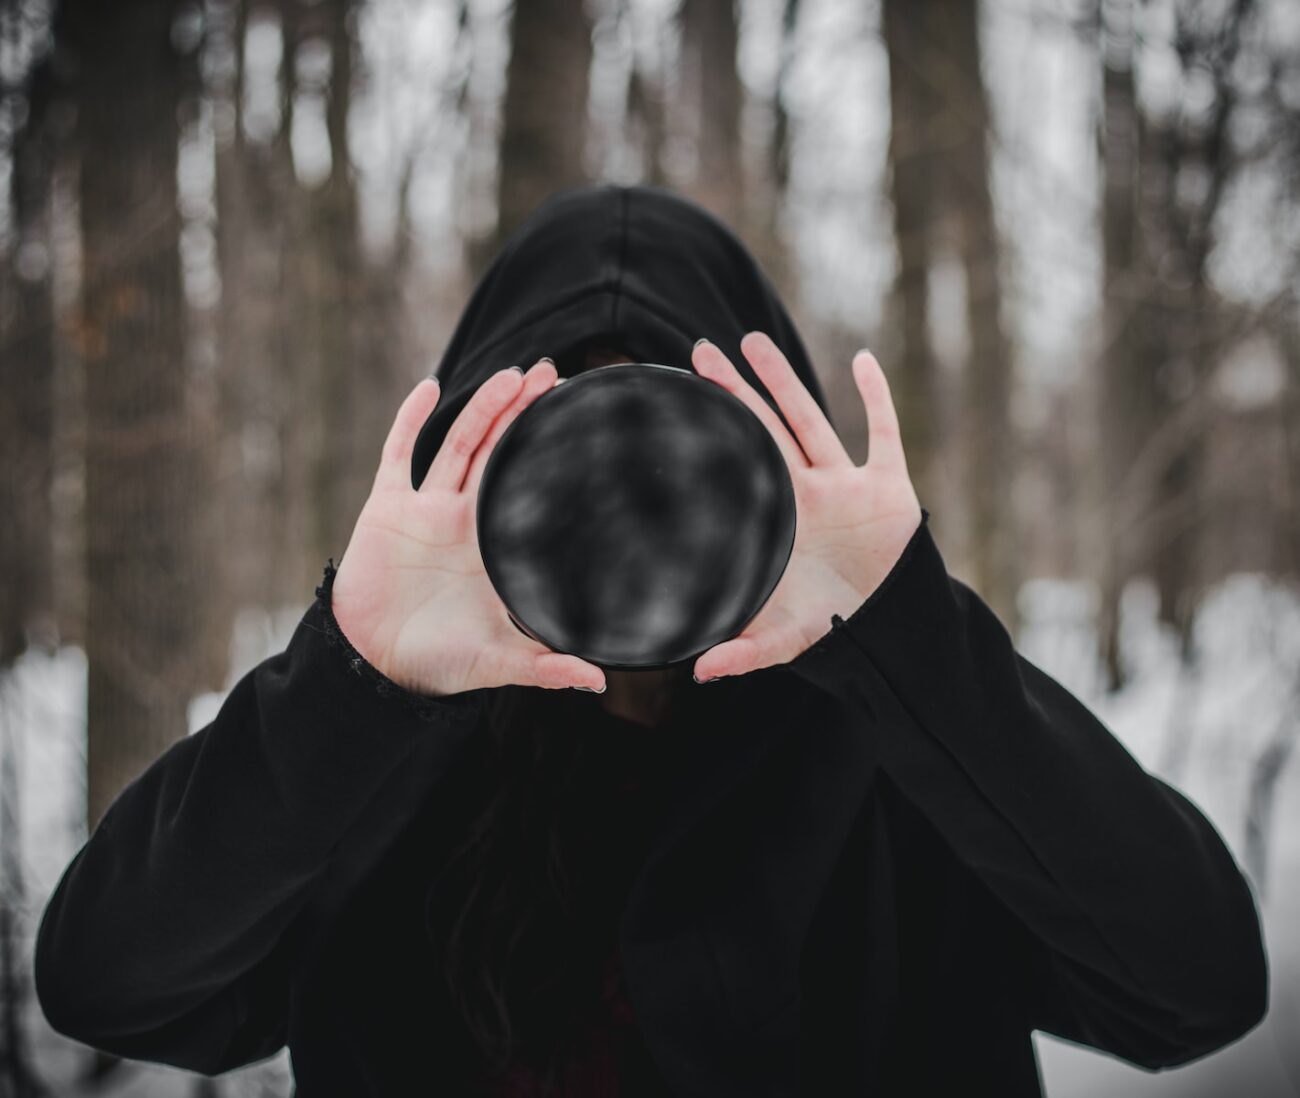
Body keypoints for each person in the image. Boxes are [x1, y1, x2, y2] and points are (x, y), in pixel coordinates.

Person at [35, 183, 1267, 1097]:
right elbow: (109, 979)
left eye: (676, 455)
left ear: (771, 460)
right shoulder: (378, 769)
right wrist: (353, 677)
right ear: (476, 461)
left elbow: (1195, 988)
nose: (623, 517)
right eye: (564, 463)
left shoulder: (900, 751)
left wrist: (907, 638)